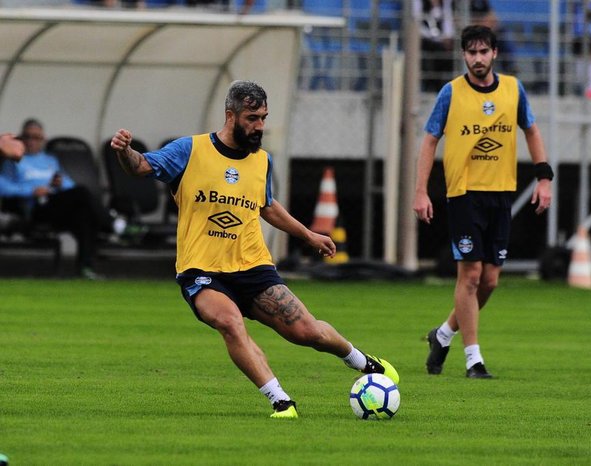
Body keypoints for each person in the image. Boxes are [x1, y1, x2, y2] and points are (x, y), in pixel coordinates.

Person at [109, 80, 399, 419]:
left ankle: (364, 362)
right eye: (252, 118)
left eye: (263, 117)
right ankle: (280, 400)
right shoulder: (189, 150)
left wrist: (309, 235)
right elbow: (140, 166)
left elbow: (266, 205)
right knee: (230, 322)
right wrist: (123, 150)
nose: (259, 126)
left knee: (307, 332)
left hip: (252, 267)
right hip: (201, 270)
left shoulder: (262, 161)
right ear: (230, 116)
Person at [413, 25, 552, 378]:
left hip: (501, 192)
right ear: (464, 56)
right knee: (471, 275)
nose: (478, 58)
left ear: (494, 54)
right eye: (471, 53)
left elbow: (531, 130)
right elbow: (430, 141)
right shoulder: (451, 93)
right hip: (464, 194)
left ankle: (442, 335)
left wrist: (544, 178)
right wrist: (421, 191)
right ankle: (473, 359)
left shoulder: (513, 89)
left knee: (490, 281)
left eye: (483, 52)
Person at [0, 119, 126, 280]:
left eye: (36, 137)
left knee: (84, 214)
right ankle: (114, 224)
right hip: (35, 208)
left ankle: (85, 268)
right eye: (27, 136)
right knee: (82, 193)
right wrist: (31, 191)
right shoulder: (15, 159)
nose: (31, 141)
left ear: (43, 140)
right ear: (20, 138)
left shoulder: (49, 161)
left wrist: (59, 185)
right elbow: (2, 186)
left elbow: (68, 184)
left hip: (56, 204)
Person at [415, 0, 455, 93]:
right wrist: (432, 36)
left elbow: (447, 20)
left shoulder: (445, 2)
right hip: (424, 39)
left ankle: (442, 88)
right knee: (429, 51)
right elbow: (416, 21)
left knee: (446, 52)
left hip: (440, 41)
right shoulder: (418, 2)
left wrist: (447, 36)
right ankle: (429, 88)